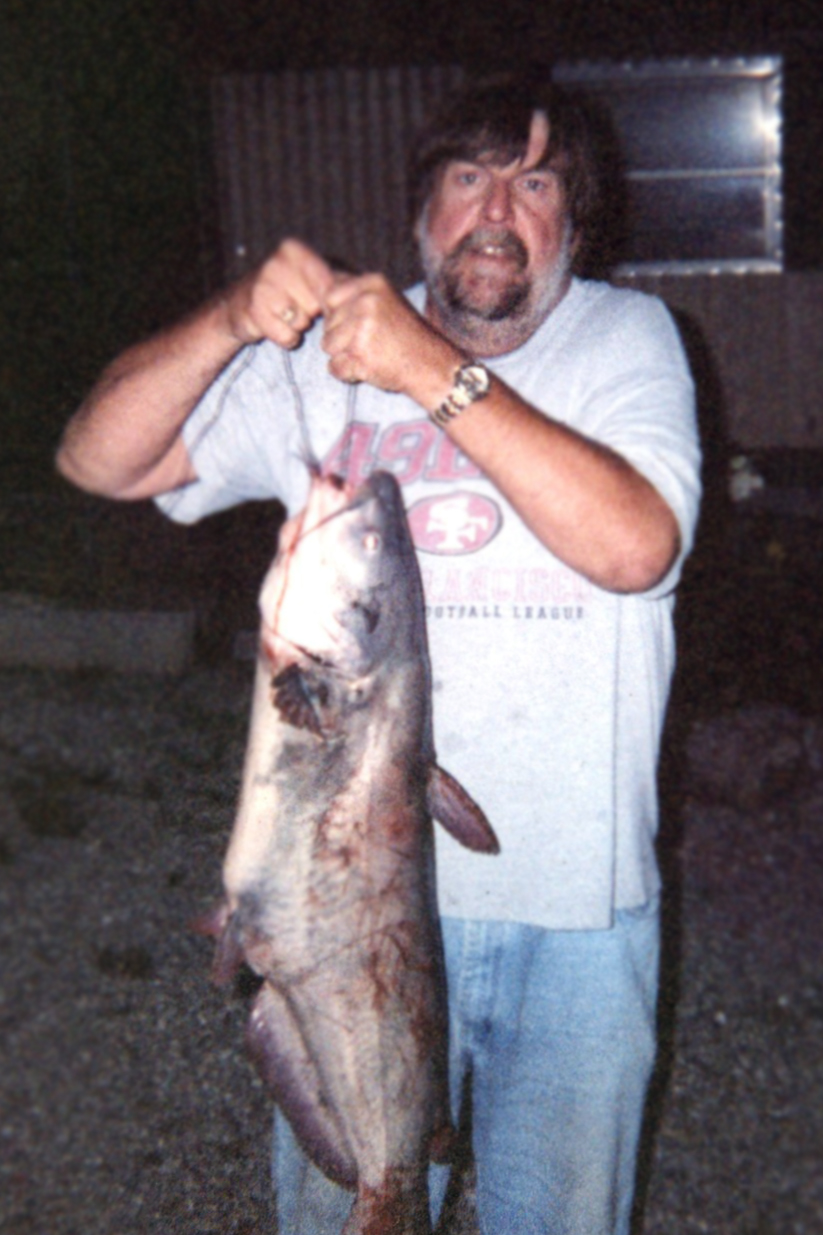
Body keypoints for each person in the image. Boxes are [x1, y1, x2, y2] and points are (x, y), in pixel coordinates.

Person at [57, 73, 701, 1235]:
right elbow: (98, 460)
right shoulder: (328, 354)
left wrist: (428, 371)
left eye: (535, 184)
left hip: (575, 913)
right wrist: (229, 317)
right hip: (338, 916)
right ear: (419, 211)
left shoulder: (625, 338)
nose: (496, 211)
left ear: (573, 221)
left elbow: (636, 545)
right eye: (469, 177)